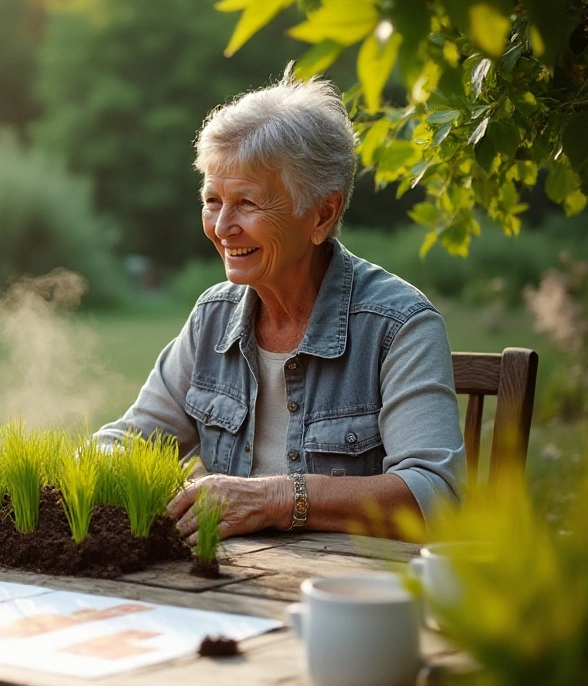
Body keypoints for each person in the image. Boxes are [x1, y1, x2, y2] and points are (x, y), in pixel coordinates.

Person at [95, 74, 464, 544]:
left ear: (322, 215)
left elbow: (436, 494)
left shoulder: (398, 325)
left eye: (246, 203)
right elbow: (128, 443)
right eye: (213, 201)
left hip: (350, 592)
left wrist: (275, 499)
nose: (223, 227)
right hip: (236, 586)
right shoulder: (213, 318)